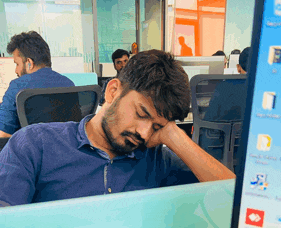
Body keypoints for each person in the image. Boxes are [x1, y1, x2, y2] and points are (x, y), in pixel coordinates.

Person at [0, 49, 235, 207]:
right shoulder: (34, 144)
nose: (144, 133)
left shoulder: (157, 159)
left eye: (156, 126)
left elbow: (233, 198)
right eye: (141, 113)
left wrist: (174, 136)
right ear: (113, 91)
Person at [0, 31, 75, 138]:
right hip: (63, 151)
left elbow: (3, 135)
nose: (16, 70)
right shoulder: (69, 84)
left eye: (17, 64)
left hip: (29, 152)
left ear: (29, 63)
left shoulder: (17, 86)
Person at [200, 47, 250, 162]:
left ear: (238, 68)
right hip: (248, 152)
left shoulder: (223, 87)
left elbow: (209, 121)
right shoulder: (265, 92)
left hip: (220, 154)